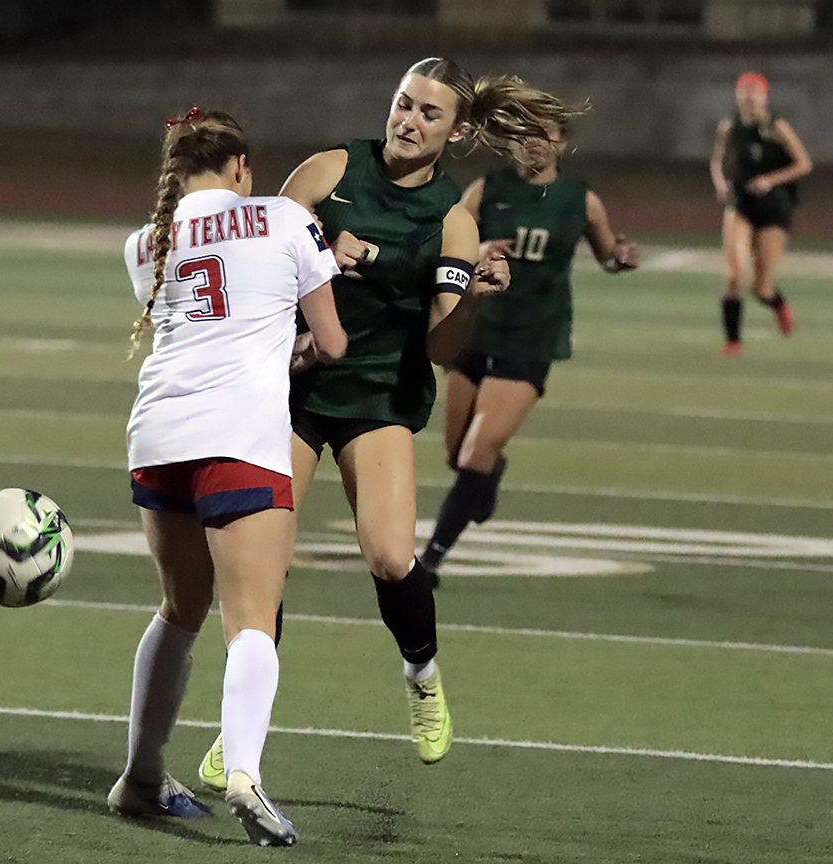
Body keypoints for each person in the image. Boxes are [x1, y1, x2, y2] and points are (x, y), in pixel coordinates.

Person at [196, 58, 576, 788]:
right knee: (259, 570)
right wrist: (313, 259)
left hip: (379, 396)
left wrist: (474, 300)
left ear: (457, 131)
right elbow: (254, 266)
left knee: (391, 559)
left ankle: (423, 676)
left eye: (429, 114)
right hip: (296, 393)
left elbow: (440, 347)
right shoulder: (328, 170)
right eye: (404, 103)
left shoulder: (453, 223)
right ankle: (239, 733)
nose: (407, 120)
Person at [109, 108, 346, 848]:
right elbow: (332, 342)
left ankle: (141, 777)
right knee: (251, 618)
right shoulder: (282, 218)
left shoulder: (145, 241)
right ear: (242, 166)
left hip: (157, 434)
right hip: (239, 434)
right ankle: (243, 770)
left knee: (179, 611)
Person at [419, 120, 640, 576]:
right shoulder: (486, 189)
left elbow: (606, 254)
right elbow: (443, 242)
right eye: (522, 133)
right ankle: (487, 477)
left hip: (532, 336)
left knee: (473, 455)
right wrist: (477, 248)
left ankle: (432, 558)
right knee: (457, 454)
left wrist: (620, 258)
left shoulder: (580, 198)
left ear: (562, 141)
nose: (531, 143)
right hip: (475, 330)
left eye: (542, 134)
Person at [709, 71, 812, 355]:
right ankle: (733, 341)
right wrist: (720, 182)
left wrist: (771, 180)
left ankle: (778, 304)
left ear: (765, 96)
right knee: (733, 273)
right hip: (741, 204)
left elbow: (804, 164)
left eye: (755, 91)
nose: (750, 97)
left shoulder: (777, 127)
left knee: (761, 286)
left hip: (775, 207)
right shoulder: (729, 127)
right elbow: (717, 161)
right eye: (745, 91)